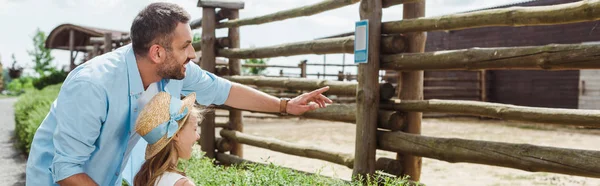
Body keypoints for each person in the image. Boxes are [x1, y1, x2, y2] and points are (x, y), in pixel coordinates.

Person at [25, 2, 332, 186]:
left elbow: (224, 90)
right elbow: (66, 170)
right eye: (186, 45)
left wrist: (284, 105)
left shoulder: (176, 72)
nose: (194, 54)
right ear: (157, 52)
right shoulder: (92, 85)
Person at [133, 92, 200, 186]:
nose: (198, 136)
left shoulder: (146, 178)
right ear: (176, 134)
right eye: (195, 129)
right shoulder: (182, 184)